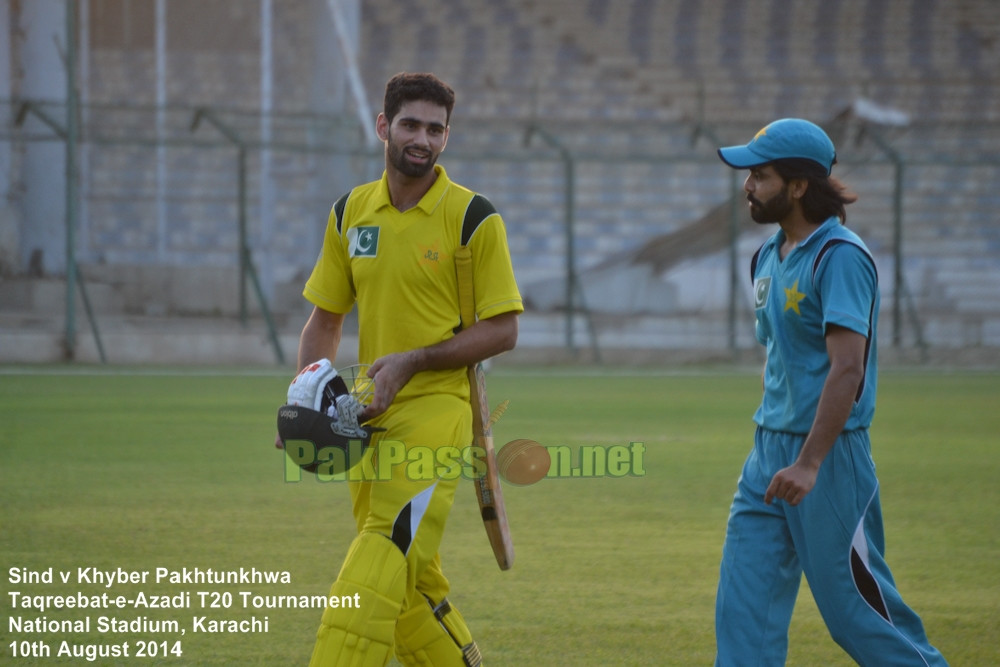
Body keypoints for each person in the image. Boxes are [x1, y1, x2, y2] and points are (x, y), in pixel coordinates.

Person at [290, 72, 522, 666]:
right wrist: (302, 397)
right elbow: (325, 320)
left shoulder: (474, 218)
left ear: (447, 137)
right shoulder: (350, 213)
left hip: (439, 413)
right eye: (411, 124)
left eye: (435, 129)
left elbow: (503, 330)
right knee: (412, 586)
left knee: (377, 564)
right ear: (382, 127)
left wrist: (413, 362)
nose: (422, 138)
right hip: (364, 416)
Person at [713, 118, 947, 666]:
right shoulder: (767, 256)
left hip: (828, 459)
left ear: (798, 186)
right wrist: (777, 452)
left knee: (859, 617)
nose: (747, 185)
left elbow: (848, 370)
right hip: (767, 454)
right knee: (742, 613)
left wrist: (810, 462)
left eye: (760, 175)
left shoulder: (839, 255)